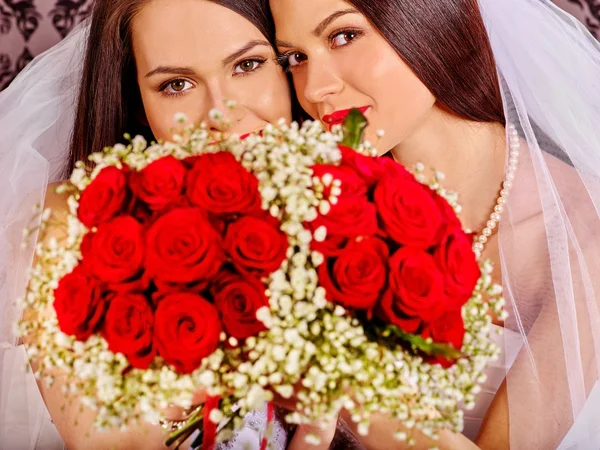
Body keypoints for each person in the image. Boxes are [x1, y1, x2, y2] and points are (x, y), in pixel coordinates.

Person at [0, 0, 341, 449]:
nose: (220, 114)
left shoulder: (342, 211)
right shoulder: (70, 227)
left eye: (248, 64)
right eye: (177, 84)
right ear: (137, 102)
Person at [260, 0, 600, 448]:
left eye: (344, 36)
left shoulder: (583, 230)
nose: (314, 88)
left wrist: (332, 385)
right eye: (296, 58)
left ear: (427, 18)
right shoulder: (318, 212)